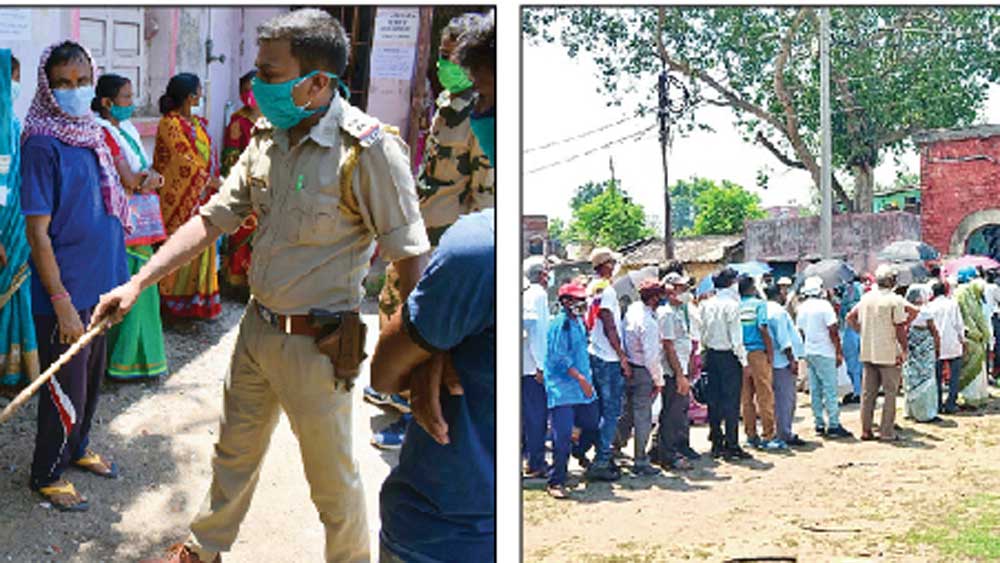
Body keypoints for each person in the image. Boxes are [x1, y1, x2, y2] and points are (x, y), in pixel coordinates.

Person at [96, 10, 431, 562]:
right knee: (233, 453)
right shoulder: (268, 137)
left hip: (319, 345)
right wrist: (138, 282)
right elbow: (213, 218)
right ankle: (204, 551)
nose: (255, 86)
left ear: (318, 82)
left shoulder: (367, 152)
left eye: (269, 74)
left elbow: (408, 261)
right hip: (256, 330)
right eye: (255, 71)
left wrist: (411, 361)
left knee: (333, 481)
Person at [367, 10, 494, 449]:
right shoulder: (448, 103)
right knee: (395, 307)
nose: (442, 66)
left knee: (430, 331)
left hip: (448, 242)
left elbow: (483, 195)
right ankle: (398, 396)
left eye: (451, 58)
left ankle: (416, 415)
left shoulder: (482, 113)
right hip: (421, 231)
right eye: (440, 56)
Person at [21, 41, 130, 511]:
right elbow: (39, 235)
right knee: (65, 385)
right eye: (63, 83)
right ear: (47, 87)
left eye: (82, 81)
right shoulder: (42, 144)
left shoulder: (93, 133)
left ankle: (79, 448)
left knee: (92, 379)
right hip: (65, 291)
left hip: (103, 281)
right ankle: (46, 472)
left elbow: (120, 186)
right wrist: (61, 301)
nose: (74, 90)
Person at [369, 209, 493, 561]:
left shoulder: (480, 246)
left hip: (441, 533)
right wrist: (436, 348)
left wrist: (431, 347)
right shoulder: (481, 248)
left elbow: (385, 373)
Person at [92, 73, 169, 381]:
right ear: (107, 102)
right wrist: (146, 180)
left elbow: (144, 170)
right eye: (126, 97)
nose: (131, 103)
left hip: (142, 222)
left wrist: (149, 178)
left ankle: (142, 360)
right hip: (125, 224)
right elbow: (129, 179)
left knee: (144, 287)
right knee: (132, 287)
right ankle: (124, 362)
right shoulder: (102, 132)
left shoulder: (126, 129)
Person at [153, 72, 222, 321]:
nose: (201, 95)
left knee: (201, 246)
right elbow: (183, 158)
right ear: (190, 96)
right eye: (199, 91)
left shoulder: (197, 123)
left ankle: (196, 303)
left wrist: (210, 181)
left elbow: (207, 156)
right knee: (180, 246)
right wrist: (208, 180)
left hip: (200, 196)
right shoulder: (169, 123)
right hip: (178, 196)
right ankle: (172, 306)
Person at [0, 51, 40, 396]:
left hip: (18, 225)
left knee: (19, 291)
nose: (14, 86)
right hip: (2, 230)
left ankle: (13, 370)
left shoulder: (13, 125)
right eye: (10, 78)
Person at [540, 281, 599, 499]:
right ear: (565, 302)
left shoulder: (579, 322)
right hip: (563, 388)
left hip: (583, 385)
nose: (581, 304)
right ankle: (557, 480)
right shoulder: (559, 324)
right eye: (577, 300)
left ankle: (579, 450)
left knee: (593, 423)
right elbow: (558, 358)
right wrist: (580, 378)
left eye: (583, 299)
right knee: (561, 435)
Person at [846, 265, 913, 442]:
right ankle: (886, 431)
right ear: (892, 281)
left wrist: (863, 332)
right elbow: (899, 327)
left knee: (868, 394)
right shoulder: (895, 300)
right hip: (889, 352)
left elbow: (849, 317)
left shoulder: (866, 298)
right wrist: (905, 348)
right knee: (890, 393)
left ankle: (866, 430)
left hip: (868, 350)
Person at [585, 247, 632, 480]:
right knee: (612, 410)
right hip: (608, 357)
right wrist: (622, 356)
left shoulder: (591, 287)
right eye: (612, 263)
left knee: (602, 409)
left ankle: (602, 455)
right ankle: (602, 459)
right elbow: (608, 323)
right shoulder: (607, 290)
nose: (614, 267)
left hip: (595, 352)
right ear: (605, 265)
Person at [700, 268, 752, 460]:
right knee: (731, 401)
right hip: (729, 356)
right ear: (731, 283)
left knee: (714, 400)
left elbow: (702, 332)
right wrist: (744, 361)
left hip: (711, 355)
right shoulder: (732, 305)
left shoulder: (706, 304)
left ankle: (716, 442)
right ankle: (732, 443)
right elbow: (736, 338)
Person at [616, 278, 665, 476]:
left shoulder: (633, 310)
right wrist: (658, 380)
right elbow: (651, 357)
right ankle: (640, 460)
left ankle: (615, 447)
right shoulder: (649, 323)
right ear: (654, 299)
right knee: (642, 416)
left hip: (628, 367)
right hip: (643, 370)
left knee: (626, 412)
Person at [219, 70, 262, 291]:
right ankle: (238, 282)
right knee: (244, 231)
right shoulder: (238, 121)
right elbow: (231, 157)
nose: (250, 95)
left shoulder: (276, 118)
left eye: (254, 90)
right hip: (247, 186)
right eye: (245, 91)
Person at [796, 277, 853, 439]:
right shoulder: (824, 306)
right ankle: (834, 423)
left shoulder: (803, 307)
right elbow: (833, 330)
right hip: (825, 351)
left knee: (815, 389)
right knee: (830, 388)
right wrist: (838, 351)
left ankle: (819, 423)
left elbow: (800, 331)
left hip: (810, 351)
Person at [654, 272, 700, 469]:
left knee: (677, 411)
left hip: (680, 368)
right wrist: (680, 375)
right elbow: (668, 346)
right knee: (672, 412)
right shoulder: (666, 314)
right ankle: (668, 454)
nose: (684, 292)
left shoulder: (680, 312)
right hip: (672, 371)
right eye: (680, 289)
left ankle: (660, 450)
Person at [738, 274, 782, 449]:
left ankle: (751, 435)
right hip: (757, 352)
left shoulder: (737, 306)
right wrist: (770, 352)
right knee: (764, 395)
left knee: (746, 398)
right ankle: (769, 435)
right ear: (752, 288)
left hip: (741, 354)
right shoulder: (759, 305)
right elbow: (763, 327)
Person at [765, 283, 805, 447]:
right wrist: (792, 360)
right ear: (779, 293)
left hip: (770, 360)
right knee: (785, 399)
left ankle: (776, 431)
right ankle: (784, 433)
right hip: (782, 362)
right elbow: (784, 340)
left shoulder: (763, 309)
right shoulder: (778, 312)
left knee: (773, 399)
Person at [522, 256, 549, 478]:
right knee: (536, 417)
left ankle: (530, 459)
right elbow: (535, 331)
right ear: (541, 274)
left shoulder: (526, 294)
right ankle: (536, 462)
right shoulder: (537, 294)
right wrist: (541, 365)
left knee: (527, 417)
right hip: (532, 367)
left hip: (526, 364)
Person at [902, 284, 941, 422]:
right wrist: (937, 347)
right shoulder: (925, 311)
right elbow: (934, 331)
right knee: (926, 377)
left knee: (911, 377)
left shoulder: (905, 310)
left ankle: (910, 410)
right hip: (924, 348)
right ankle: (926, 411)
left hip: (912, 346)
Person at [926, 280, 965, 414]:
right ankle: (951, 403)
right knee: (955, 375)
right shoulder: (952, 304)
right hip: (953, 342)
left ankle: (937, 404)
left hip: (936, 344)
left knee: (936, 376)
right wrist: (962, 339)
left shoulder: (930, 306)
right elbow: (959, 324)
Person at [955, 271, 991, 408]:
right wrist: (982, 335)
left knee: (969, 369)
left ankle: (970, 397)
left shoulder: (964, 296)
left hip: (968, 336)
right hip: (974, 338)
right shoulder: (969, 299)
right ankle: (975, 397)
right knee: (976, 369)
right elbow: (977, 320)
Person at [837, 276, 864, 404]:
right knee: (861, 363)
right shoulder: (863, 297)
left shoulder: (846, 298)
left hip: (850, 331)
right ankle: (861, 390)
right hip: (862, 332)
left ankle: (856, 391)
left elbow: (842, 317)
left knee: (852, 363)